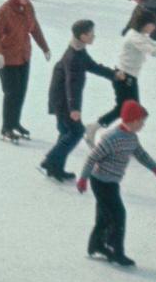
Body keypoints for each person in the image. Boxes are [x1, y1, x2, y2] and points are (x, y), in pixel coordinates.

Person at [76, 99, 156, 266]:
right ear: (132, 120)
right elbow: (92, 157)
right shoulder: (112, 138)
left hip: (112, 182)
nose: (143, 126)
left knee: (104, 217)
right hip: (100, 182)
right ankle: (117, 252)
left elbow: (140, 154)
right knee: (118, 216)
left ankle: (96, 245)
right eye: (141, 122)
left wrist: (155, 169)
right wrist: (83, 179)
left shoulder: (132, 138)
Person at [40, 19, 117, 182]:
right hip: (65, 101)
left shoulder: (78, 51)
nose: (94, 36)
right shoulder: (74, 57)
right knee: (76, 131)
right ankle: (50, 161)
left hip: (61, 98)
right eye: (91, 34)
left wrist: (113, 75)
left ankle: (56, 168)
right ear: (82, 36)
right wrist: (74, 108)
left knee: (65, 132)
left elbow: (93, 66)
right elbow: (72, 84)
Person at [92, 6, 156, 134]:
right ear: (144, 24)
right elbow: (152, 51)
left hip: (128, 76)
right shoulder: (135, 38)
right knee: (130, 110)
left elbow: (152, 43)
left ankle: (104, 130)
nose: (154, 27)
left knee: (128, 109)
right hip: (124, 77)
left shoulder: (139, 35)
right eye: (152, 25)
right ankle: (102, 130)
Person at [0, 0, 51, 142]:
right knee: (11, 93)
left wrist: (44, 47)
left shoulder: (29, 7)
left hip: (24, 56)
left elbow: (35, 28)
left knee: (21, 92)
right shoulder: (5, 11)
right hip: (7, 59)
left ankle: (15, 122)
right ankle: (6, 128)